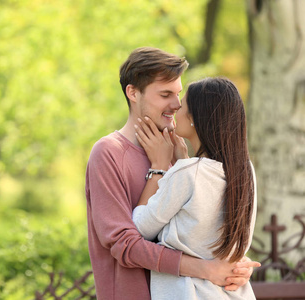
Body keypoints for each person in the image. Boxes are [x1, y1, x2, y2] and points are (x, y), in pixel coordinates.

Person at [85, 47, 260, 300]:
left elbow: (193, 232)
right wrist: (206, 269)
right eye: (165, 94)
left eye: (178, 94)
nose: (177, 104)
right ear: (132, 92)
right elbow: (125, 244)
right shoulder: (108, 152)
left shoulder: (180, 156)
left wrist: (234, 266)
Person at [132, 77, 257, 299]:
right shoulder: (245, 171)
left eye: (183, 104)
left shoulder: (188, 173)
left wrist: (159, 169)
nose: (176, 108)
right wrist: (185, 163)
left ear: (194, 119)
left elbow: (140, 227)